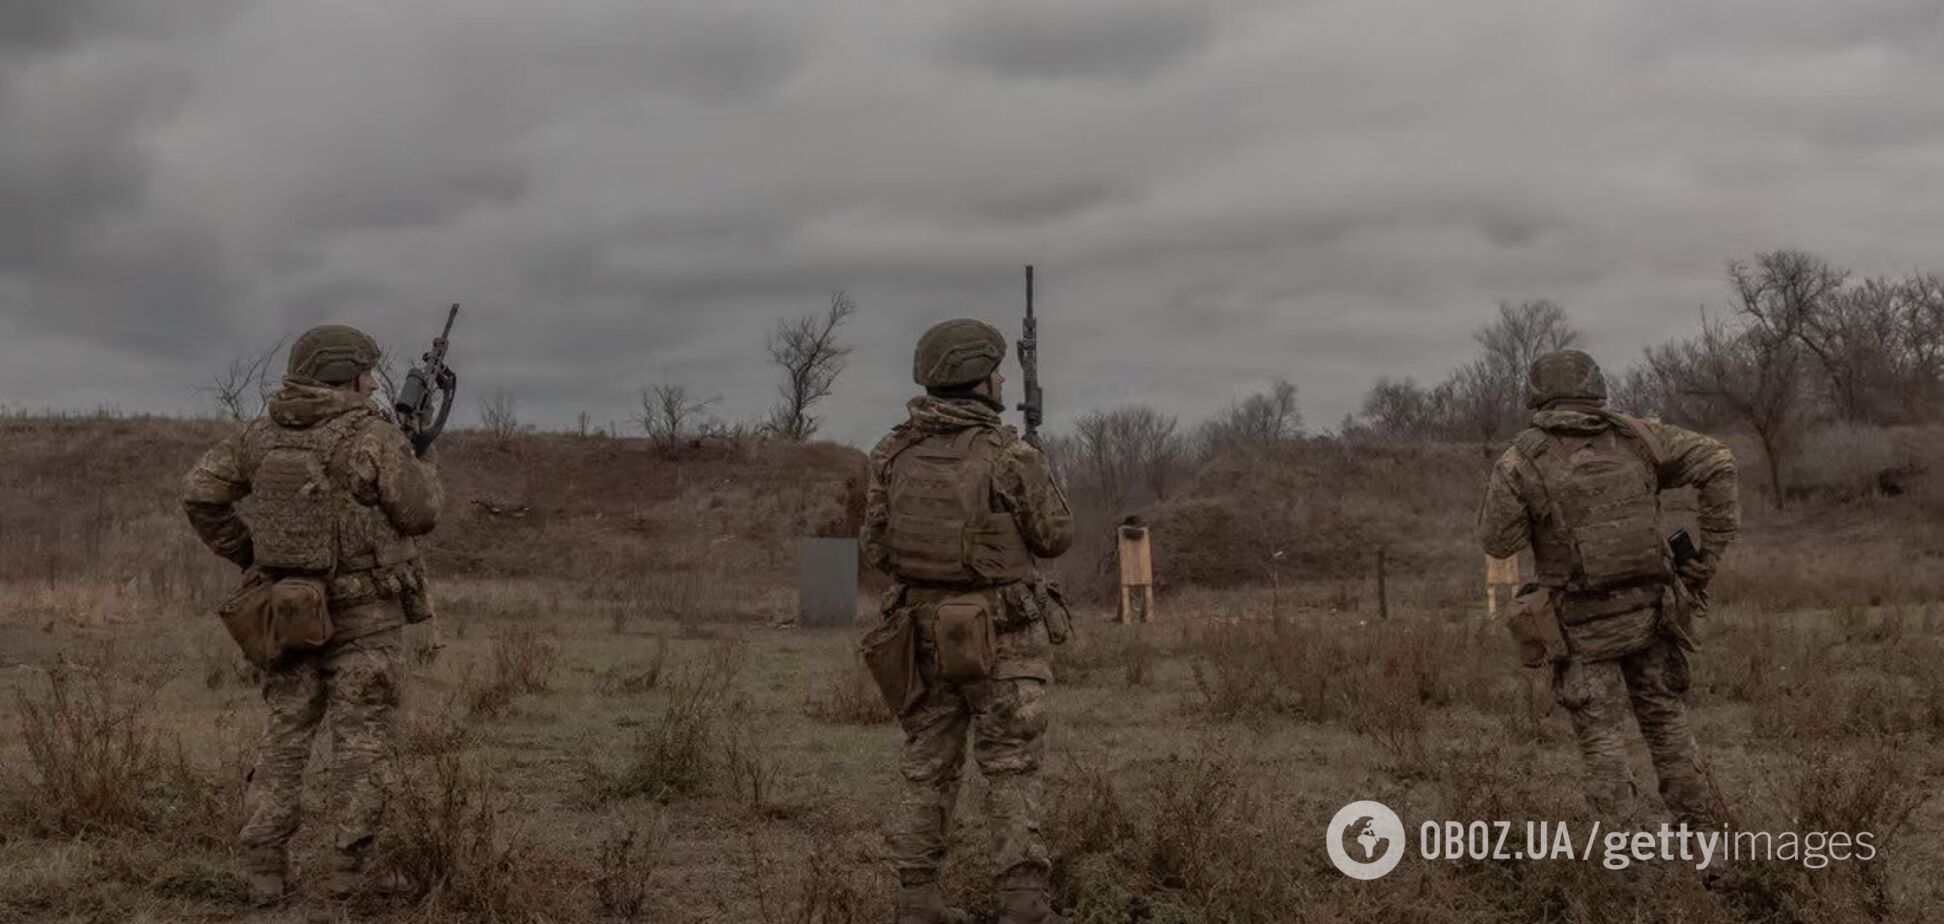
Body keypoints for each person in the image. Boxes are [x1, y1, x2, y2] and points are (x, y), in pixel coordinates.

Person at [182, 324, 445, 906]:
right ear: (347, 375)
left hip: (287, 613)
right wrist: (422, 456)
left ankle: (263, 874)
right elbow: (420, 514)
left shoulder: (260, 434)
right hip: (365, 617)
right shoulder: (372, 435)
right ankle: (344, 885)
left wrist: (252, 555)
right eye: (367, 371)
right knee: (360, 749)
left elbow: (200, 494)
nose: (374, 381)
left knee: (284, 740)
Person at [861, 319, 1075, 924]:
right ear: (977, 381)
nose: (1004, 378)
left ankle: (916, 900)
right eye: (996, 370)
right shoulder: (1010, 454)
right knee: (1011, 766)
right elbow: (1055, 536)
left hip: (920, 634)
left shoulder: (891, 452)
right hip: (1002, 634)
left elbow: (877, 547)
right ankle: (1024, 904)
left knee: (927, 765)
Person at [1479, 349, 1738, 827]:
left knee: (1602, 741)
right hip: (1653, 614)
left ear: (1538, 395)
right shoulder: (1638, 436)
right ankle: (1709, 843)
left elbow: (1498, 540)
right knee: (1668, 725)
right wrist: (1707, 559)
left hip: (1581, 626)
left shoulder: (1520, 461)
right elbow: (1719, 463)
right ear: (1595, 389)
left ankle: (1628, 862)